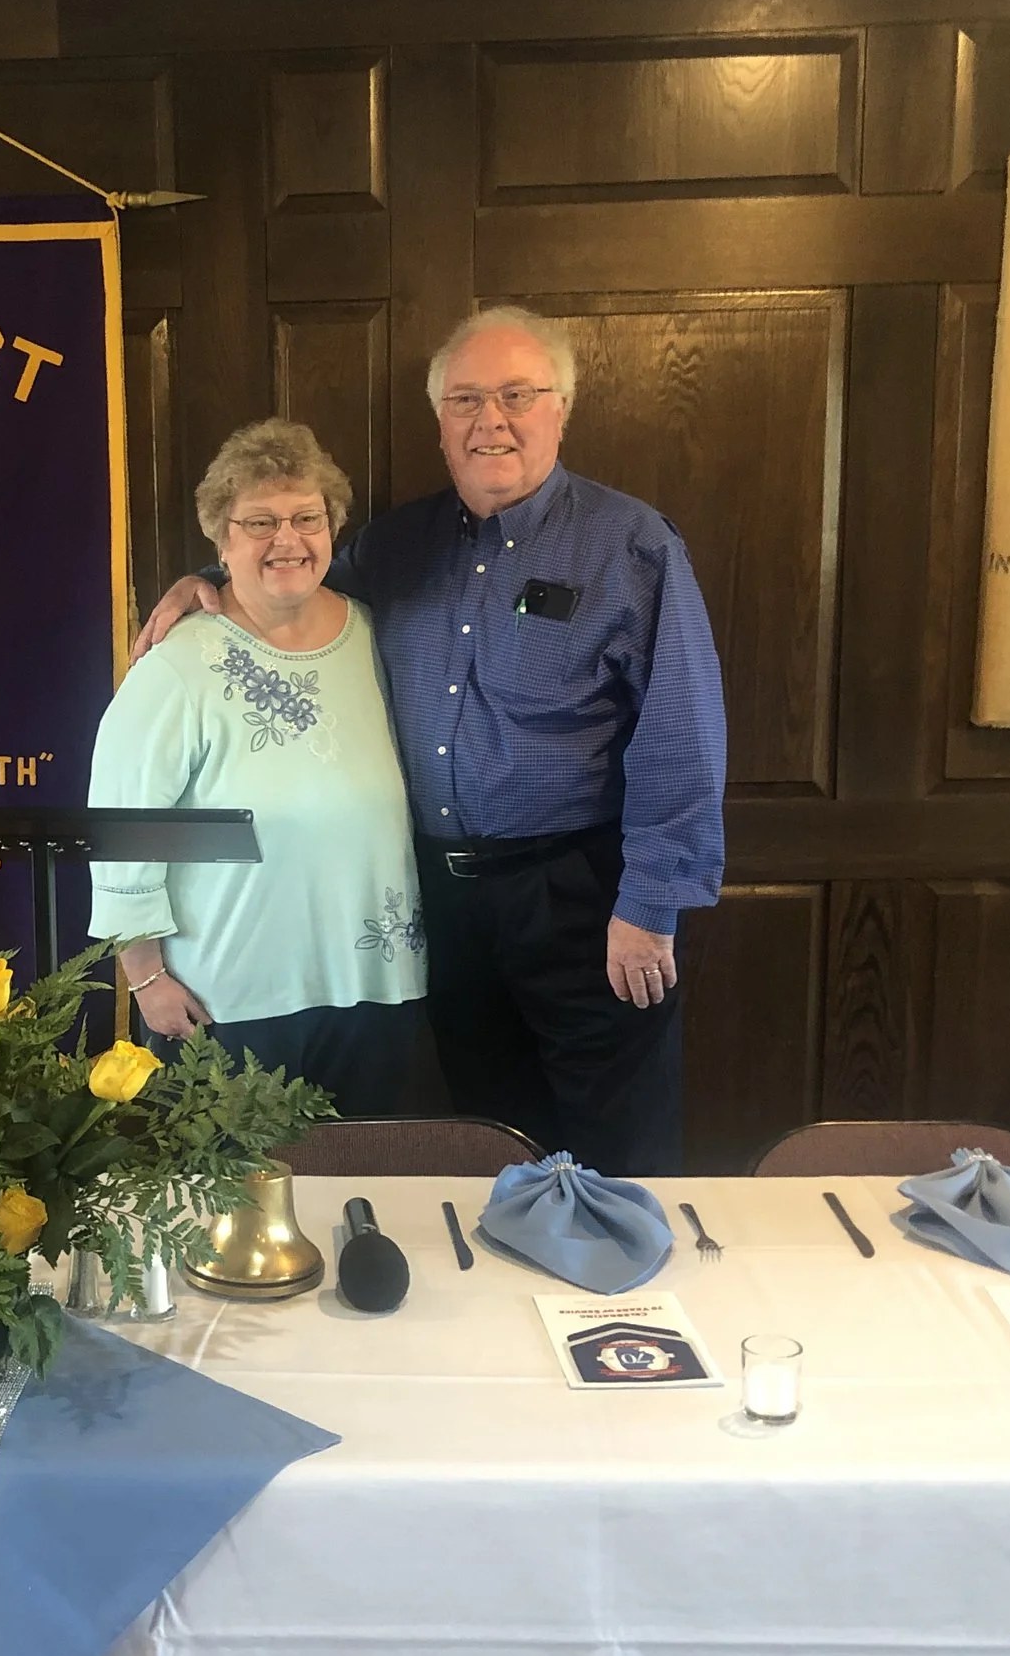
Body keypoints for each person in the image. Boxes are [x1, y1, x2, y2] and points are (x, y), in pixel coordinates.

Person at [134, 308, 725, 1173]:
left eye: (517, 394)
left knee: (616, 1141)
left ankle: (623, 1303)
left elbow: (684, 734)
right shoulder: (394, 546)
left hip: (583, 900)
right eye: (466, 399)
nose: (492, 420)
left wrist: (650, 907)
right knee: (492, 1134)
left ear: (561, 408)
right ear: (441, 422)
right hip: (439, 907)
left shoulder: (629, 544)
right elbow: (286, 579)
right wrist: (207, 580)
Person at [86, 419, 443, 1117]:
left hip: (378, 984)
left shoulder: (375, 631)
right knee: (234, 1211)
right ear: (222, 540)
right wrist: (146, 976)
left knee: (375, 1197)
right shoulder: (176, 663)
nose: (288, 539)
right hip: (227, 998)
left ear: (332, 529)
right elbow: (121, 828)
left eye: (307, 517)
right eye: (260, 522)